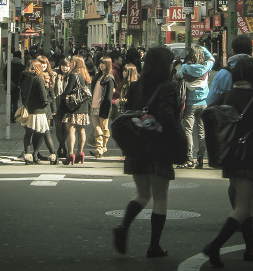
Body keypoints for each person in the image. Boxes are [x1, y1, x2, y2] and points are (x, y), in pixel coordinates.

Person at [202, 56, 253, 267]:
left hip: (230, 155)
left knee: (244, 204)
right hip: (249, 156)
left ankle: (250, 248)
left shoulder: (228, 95)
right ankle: (214, 246)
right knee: (244, 208)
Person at [112, 45, 186, 260]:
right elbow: (168, 118)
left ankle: (124, 226)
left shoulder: (136, 86)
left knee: (143, 193)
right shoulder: (168, 87)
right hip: (159, 147)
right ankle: (154, 246)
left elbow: (130, 113)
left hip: (136, 146)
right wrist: (179, 142)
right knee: (160, 197)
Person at [207, 36, 253, 114]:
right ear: (251, 50)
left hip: (231, 122)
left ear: (233, 51)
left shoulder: (222, 74)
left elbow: (211, 101)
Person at [178, 44, 215, 168]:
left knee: (188, 130)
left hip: (189, 104)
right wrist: (202, 48)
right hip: (204, 103)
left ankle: (189, 157)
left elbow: (178, 76)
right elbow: (212, 58)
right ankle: (200, 157)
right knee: (202, 131)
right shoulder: (206, 67)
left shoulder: (185, 67)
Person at [19, 59, 57, 164]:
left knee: (28, 134)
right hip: (39, 110)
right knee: (46, 133)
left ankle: (27, 156)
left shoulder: (24, 78)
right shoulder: (38, 78)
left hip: (28, 110)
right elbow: (44, 97)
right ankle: (53, 155)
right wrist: (46, 104)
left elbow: (22, 93)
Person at [62, 54, 92, 165]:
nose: (70, 63)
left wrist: (63, 95)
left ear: (76, 63)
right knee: (81, 130)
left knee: (71, 130)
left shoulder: (74, 75)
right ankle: (80, 153)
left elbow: (68, 90)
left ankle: (70, 154)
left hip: (73, 106)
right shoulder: (85, 75)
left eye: (72, 62)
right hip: (83, 106)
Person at [89, 56, 115, 158]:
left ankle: (101, 147)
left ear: (108, 65)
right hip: (94, 105)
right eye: (100, 63)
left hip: (103, 106)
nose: (101, 65)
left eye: (103, 63)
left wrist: (107, 109)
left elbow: (108, 96)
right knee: (96, 127)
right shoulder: (97, 77)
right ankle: (100, 148)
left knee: (104, 127)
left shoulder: (109, 79)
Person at [53, 56, 71, 159]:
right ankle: (62, 146)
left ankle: (64, 147)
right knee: (59, 128)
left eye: (67, 66)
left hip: (68, 105)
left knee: (66, 128)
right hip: (57, 104)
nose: (65, 68)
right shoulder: (56, 75)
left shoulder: (72, 76)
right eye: (63, 66)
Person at [3, 50, 24, 122]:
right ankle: (13, 116)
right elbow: (23, 77)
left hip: (9, 85)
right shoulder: (21, 66)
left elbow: (4, 74)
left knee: (9, 101)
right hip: (17, 86)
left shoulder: (8, 65)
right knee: (15, 102)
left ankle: (8, 115)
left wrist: (8, 82)